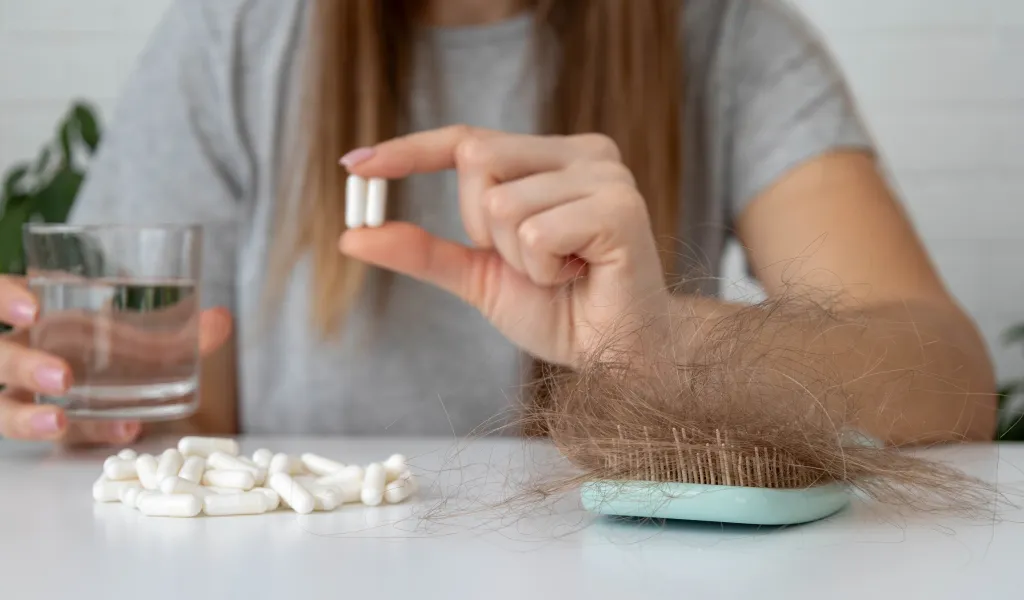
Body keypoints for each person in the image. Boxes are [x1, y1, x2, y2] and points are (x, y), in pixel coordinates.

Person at [0, 0, 997, 446]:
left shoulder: (729, 36)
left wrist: (666, 340)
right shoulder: (240, 32)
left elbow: (949, 382)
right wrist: (91, 392)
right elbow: (184, 409)